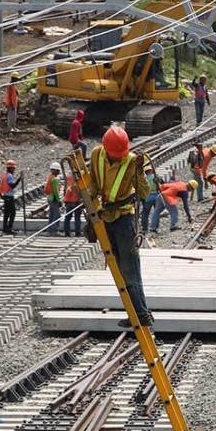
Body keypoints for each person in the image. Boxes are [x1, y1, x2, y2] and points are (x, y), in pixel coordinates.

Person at [90, 126, 154, 326]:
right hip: (105, 216)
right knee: (117, 268)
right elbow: (92, 183)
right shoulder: (96, 155)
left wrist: (140, 173)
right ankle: (133, 312)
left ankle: (142, 314)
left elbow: (144, 193)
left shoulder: (131, 161)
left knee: (129, 268)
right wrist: (88, 201)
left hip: (124, 218)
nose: (118, 157)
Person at [0, 160, 20, 235]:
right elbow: (12, 186)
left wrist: (1, 194)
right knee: (12, 213)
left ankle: (4, 228)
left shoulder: (4, 175)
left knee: (6, 213)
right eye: (13, 168)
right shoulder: (9, 176)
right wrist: (19, 180)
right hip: (9, 197)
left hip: (5, 196)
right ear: (11, 168)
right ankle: (9, 229)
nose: (14, 170)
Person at [62, 170, 83, 237]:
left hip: (68, 201)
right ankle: (78, 233)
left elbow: (65, 188)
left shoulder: (68, 177)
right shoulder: (79, 179)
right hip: (76, 201)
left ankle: (67, 233)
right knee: (77, 218)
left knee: (67, 218)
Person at [44, 162, 63, 236]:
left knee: (52, 215)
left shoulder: (50, 177)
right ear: (54, 170)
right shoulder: (54, 179)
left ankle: (50, 230)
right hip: (54, 199)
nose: (59, 172)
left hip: (50, 198)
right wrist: (59, 201)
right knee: (57, 215)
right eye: (58, 170)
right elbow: (55, 191)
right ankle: (55, 230)